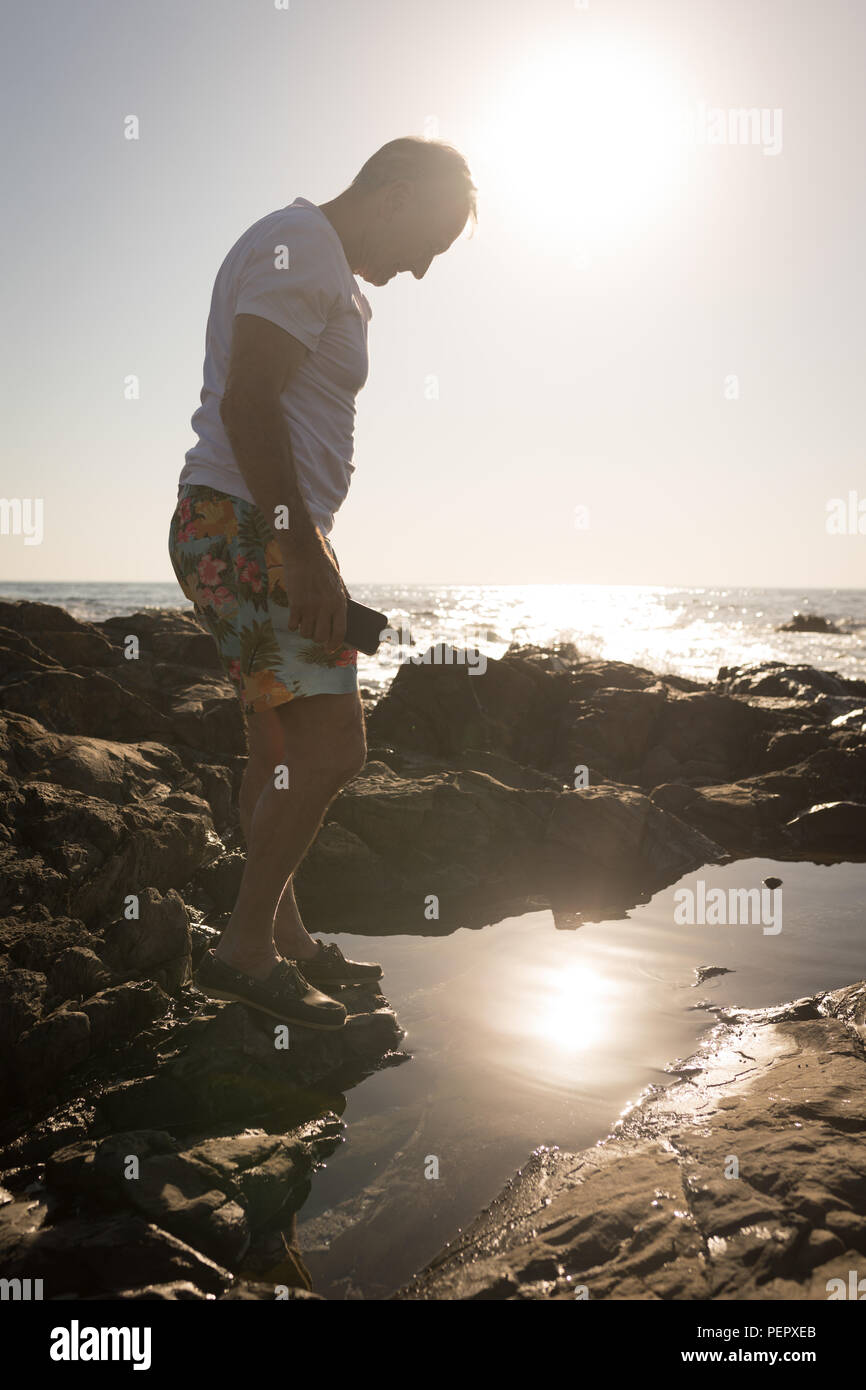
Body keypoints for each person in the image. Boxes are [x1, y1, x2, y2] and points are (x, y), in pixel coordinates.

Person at [168, 137, 477, 1028]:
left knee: (276, 750)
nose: (420, 271)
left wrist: (309, 542)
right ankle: (244, 949)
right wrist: (296, 545)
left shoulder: (325, 265)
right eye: (431, 243)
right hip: (246, 526)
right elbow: (249, 400)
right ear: (395, 193)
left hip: (245, 524)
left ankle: (286, 937)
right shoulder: (299, 243)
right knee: (336, 748)